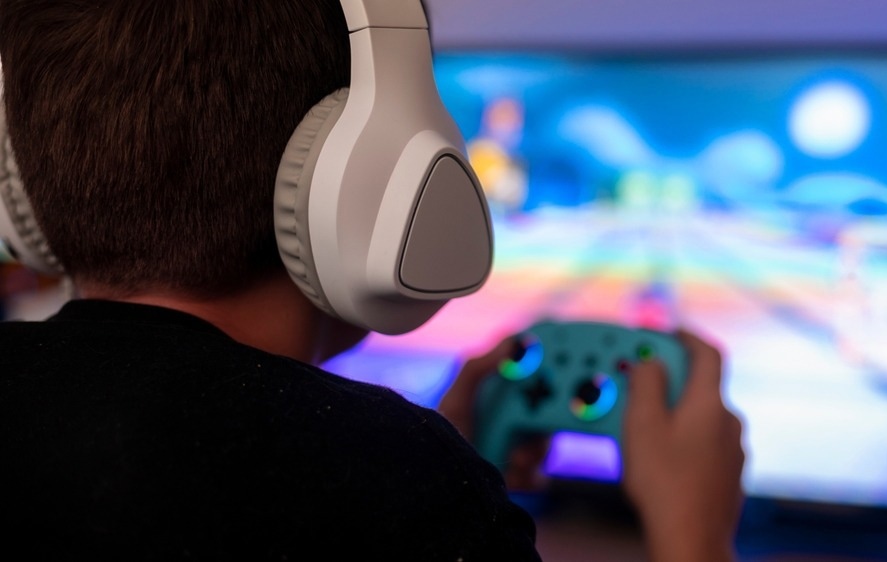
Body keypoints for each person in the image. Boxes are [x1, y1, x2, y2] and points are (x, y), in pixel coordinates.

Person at [0, 1, 744, 560]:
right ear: (379, 170)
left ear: (24, 189)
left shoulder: (394, 476)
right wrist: (693, 532)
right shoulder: (400, 484)